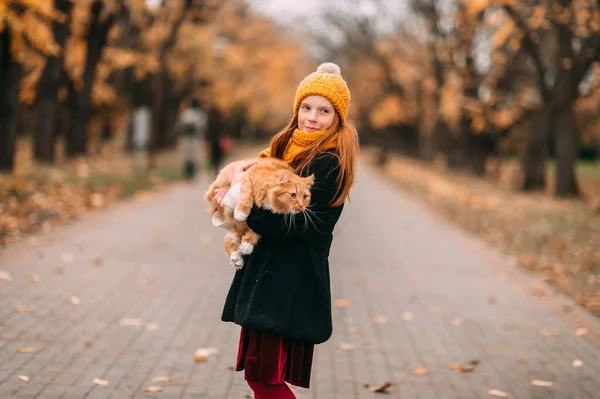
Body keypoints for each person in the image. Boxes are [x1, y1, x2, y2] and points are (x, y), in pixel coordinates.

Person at [212, 62, 359, 398]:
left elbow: (289, 225)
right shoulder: (283, 150)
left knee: (264, 377)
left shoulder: (329, 161)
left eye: (324, 111)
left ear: (337, 117)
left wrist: (240, 200)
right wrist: (232, 194)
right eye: (306, 107)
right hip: (270, 273)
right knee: (260, 375)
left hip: (289, 278)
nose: (312, 117)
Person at [178, 98, 207, 180]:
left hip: (194, 138)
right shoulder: (188, 114)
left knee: (192, 156)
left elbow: (202, 127)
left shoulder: (192, 114)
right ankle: (188, 173)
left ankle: (191, 173)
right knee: (188, 156)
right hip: (188, 138)